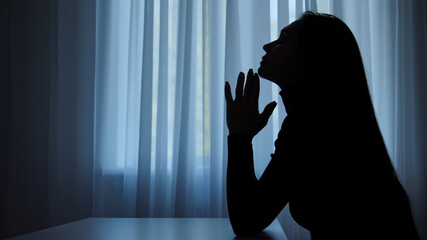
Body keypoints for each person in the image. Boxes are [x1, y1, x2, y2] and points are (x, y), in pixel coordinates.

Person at [224, 11, 419, 239]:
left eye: (283, 40)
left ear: (311, 58)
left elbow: (247, 219)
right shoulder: (322, 119)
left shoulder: (310, 127)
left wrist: (239, 135)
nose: (268, 46)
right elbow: (251, 216)